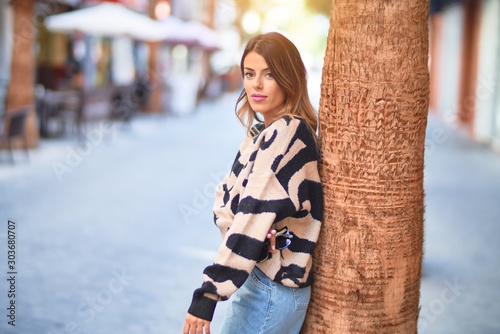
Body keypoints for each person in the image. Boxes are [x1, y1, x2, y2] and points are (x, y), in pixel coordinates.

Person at [183, 31, 324, 334]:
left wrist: (207, 296)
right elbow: (226, 200)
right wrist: (255, 232)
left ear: (290, 79)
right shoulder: (260, 133)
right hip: (265, 283)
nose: (256, 85)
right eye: (249, 73)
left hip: (271, 289)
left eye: (269, 75)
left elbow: (247, 213)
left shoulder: (286, 133)